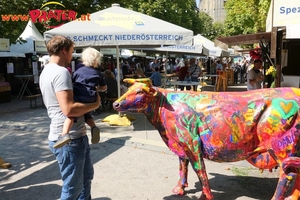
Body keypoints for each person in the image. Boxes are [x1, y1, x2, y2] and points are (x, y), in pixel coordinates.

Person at [39, 36, 101, 200]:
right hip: (70, 139)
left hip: (75, 136)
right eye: (72, 51)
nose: (72, 56)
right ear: (64, 50)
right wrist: (95, 104)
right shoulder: (61, 72)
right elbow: (69, 109)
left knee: (85, 179)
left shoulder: (46, 70)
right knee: (72, 189)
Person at [53, 47, 106, 148]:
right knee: (86, 113)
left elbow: (72, 82)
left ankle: (64, 134)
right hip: (92, 97)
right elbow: (103, 87)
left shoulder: (78, 70)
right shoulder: (97, 73)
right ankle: (93, 127)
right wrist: (99, 89)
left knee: (71, 115)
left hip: (79, 95)